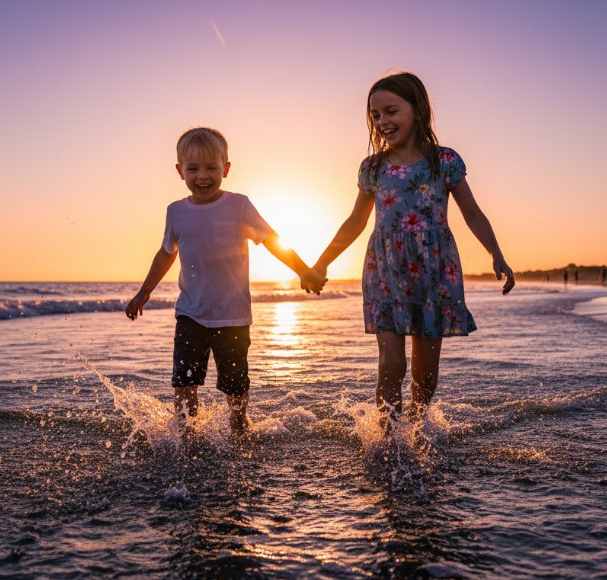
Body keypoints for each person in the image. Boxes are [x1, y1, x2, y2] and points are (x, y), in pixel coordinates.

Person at [313, 72, 514, 423]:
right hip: (386, 270)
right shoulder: (373, 168)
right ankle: (388, 439)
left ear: (418, 110)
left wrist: (496, 254)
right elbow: (354, 222)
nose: (382, 122)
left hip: (434, 270)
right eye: (375, 115)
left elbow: (473, 213)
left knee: (425, 372)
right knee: (391, 363)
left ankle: (418, 429)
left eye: (391, 111)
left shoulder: (444, 161)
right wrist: (323, 262)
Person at [125, 127, 327, 435]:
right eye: (193, 168)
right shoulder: (176, 212)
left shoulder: (239, 206)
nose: (202, 176)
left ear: (226, 169)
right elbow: (166, 253)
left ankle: (238, 426)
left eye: (211, 168)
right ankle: (186, 434)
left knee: (235, 384)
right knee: (184, 380)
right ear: (180, 171)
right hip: (191, 312)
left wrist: (302, 270)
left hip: (233, 316)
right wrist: (144, 292)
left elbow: (272, 240)